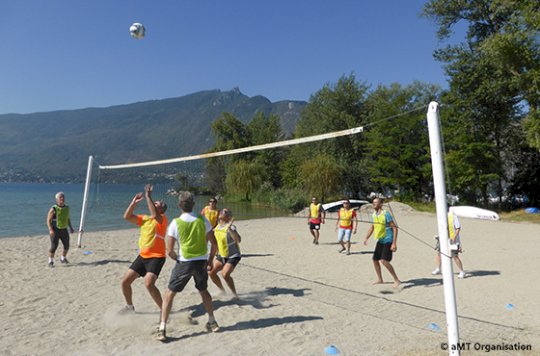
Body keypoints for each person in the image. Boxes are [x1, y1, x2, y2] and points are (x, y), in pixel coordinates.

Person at [157, 191, 219, 341]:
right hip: (201, 262)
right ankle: (212, 322)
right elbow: (214, 243)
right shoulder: (203, 220)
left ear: (179, 205)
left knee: (169, 294)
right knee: (203, 290)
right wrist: (210, 260)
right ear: (194, 204)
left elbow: (169, 250)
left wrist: (177, 259)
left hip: (184, 262)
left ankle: (162, 328)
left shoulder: (175, 223)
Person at [121, 184, 168, 313]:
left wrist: (148, 196)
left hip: (157, 257)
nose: (154, 204)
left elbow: (154, 213)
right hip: (143, 256)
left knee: (149, 284)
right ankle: (129, 307)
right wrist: (133, 203)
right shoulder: (145, 219)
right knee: (125, 282)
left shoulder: (162, 219)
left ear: (161, 209)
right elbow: (127, 217)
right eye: (155, 202)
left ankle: (164, 310)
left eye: (157, 203)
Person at [363, 198, 401, 287]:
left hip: (388, 239)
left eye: (376, 203)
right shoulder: (374, 215)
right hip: (380, 240)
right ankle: (380, 279)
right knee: (375, 259)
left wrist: (394, 243)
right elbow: (372, 227)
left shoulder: (386, 214)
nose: (374, 204)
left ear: (380, 204)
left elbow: (395, 228)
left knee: (384, 261)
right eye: (373, 203)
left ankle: (396, 280)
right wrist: (366, 238)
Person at [209, 209, 242, 299]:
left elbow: (238, 240)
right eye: (222, 211)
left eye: (226, 212)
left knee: (225, 274)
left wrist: (229, 229)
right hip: (221, 255)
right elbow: (214, 243)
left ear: (228, 217)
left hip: (233, 255)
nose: (222, 212)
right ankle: (222, 291)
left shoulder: (231, 227)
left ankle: (235, 295)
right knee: (211, 273)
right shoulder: (217, 227)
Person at [432, 209, 466, 279]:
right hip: (443, 239)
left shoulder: (453, 216)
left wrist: (454, 237)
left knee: (455, 256)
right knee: (439, 253)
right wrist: (438, 236)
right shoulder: (441, 216)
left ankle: (462, 271)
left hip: (452, 240)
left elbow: (458, 228)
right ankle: (438, 268)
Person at [46, 192, 75, 267]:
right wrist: (50, 230)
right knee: (54, 246)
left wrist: (71, 227)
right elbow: (48, 220)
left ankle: (63, 258)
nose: (62, 198)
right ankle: (50, 262)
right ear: (57, 199)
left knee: (67, 246)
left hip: (64, 229)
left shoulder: (67, 207)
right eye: (60, 197)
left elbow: (67, 218)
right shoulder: (53, 208)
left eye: (63, 197)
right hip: (55, 230)